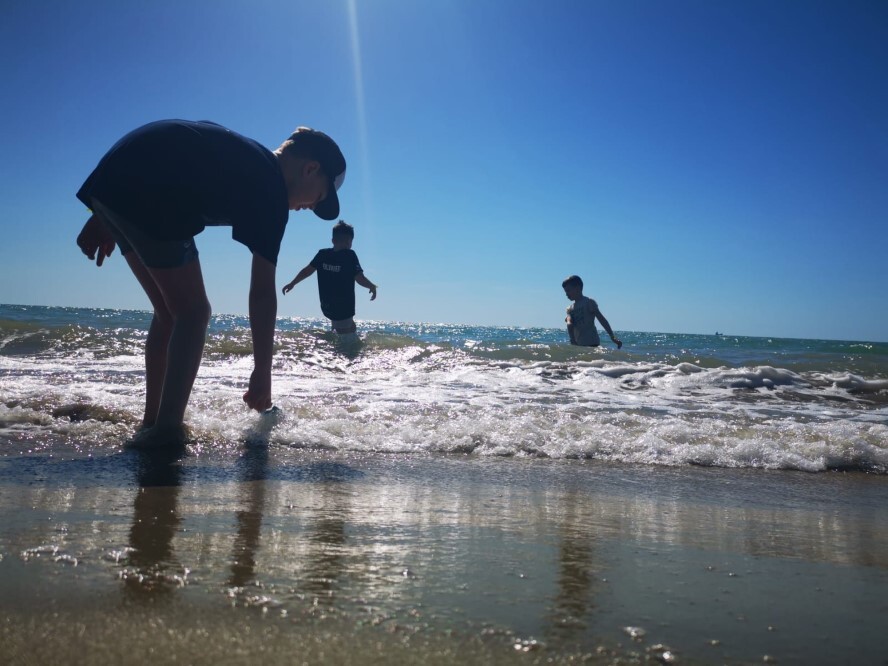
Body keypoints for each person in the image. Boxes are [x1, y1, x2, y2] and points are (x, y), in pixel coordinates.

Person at [75, 120, 347, 447]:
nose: (310, 208)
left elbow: (176, 150)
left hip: (118, 176)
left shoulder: (249, 158)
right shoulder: (272, 189)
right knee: (193, 313)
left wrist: (105, 209)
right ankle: (166, 432)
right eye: (318, 198)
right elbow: (262, 293)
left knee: (168, 313)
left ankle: (152, 424)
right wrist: (263, 373)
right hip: (149, 191)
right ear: (310, 168)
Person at [281, 220, 377, 334]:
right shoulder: (350, 255)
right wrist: (371, 286)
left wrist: (293, 283)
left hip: (328, 306)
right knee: (345, 340)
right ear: (350, 242)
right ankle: (337, 349)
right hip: (344, 308)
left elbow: (307, 271)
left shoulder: (323, 254)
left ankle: (332, 346)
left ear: (333, 240)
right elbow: (359, 277)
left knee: (348, 328)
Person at [562, 275, 622, 349]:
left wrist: (612, 337)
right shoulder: (570, 309)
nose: (566, 294)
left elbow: (602, 319)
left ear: (577, 288)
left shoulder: (589, 302)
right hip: (578, 344)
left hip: (592, 343)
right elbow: (569, 324)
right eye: (565, 291)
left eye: (568, 291)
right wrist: (573, 340)